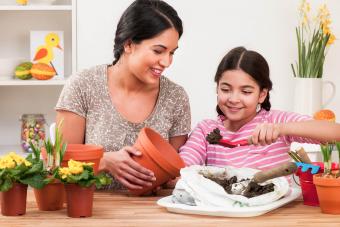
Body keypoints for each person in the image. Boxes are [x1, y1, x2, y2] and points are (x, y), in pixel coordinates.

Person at [55, 0, 191, 190]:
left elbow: (175, 173)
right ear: (128, 44)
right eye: (158, 51)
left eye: (172, 53)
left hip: (154, 214)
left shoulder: (176, 97)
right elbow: (58, 166)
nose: (167, 62)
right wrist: (104, 162)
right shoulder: (83, 86)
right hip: (90, 212)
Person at [179, 46, 340, 171]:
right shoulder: (206, 131)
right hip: (226, 212)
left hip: (275, 212)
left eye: (246, 91)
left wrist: (282, 129)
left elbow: (335, 133)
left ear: (262, 94)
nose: (234, 99)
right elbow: (182, 168)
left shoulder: (276, 121)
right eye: (226, 89)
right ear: (217, 88)